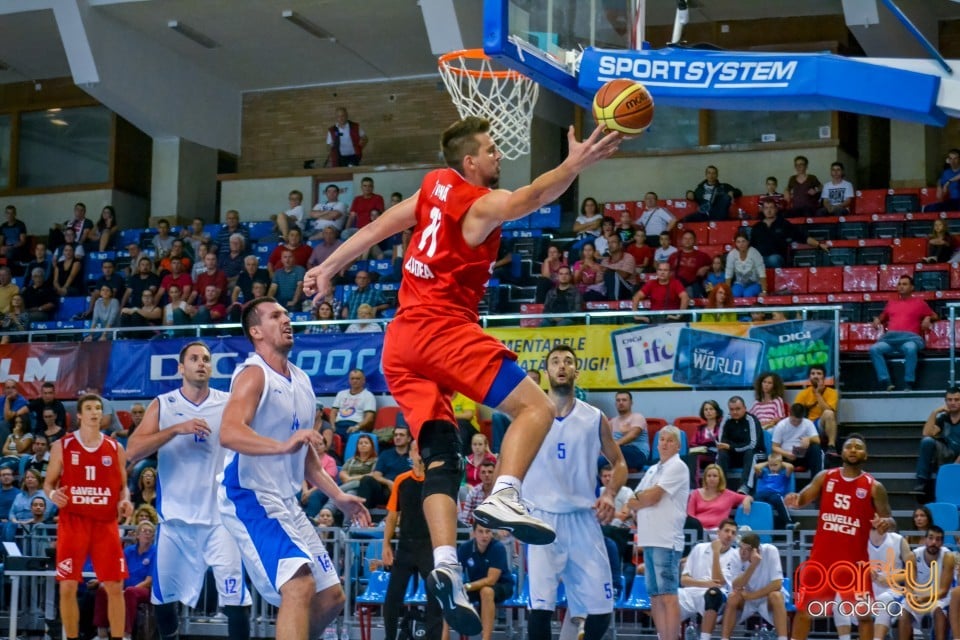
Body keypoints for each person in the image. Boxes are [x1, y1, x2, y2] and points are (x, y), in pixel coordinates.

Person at [303, 116, 622, 634]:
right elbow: (532, 197)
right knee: (535, 408)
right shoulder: (478, 205)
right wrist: (575, 163)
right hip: (440, 330)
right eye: (493, 150)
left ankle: (446, 565)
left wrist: (329, 268)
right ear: (470, 161)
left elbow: (374, 229)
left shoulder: (432, 187)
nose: (500, 157)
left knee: (441, 458)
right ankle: (506, 491)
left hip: (400, 341)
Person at [217, 297, 370, 640]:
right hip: (249, 494)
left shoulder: (301, 379)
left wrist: (339, 496)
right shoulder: (253, 374)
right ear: (256, 331)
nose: (286, 320)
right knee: (299, 585)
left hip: (285, 500)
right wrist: (281, 446)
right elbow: (229, 432)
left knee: (331, 598)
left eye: (286, 314)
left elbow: (306, 458)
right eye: (275, 316)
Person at [125, 341, 253, 640]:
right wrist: (175, 430)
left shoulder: (228, 402)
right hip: (175, 522)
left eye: (206, 359)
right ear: (181, 367)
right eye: (194, 359)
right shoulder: (164, 404)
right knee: (163, 601)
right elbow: (132, 450)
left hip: (220, 520)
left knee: (235, 601)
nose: (201, 363)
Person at [524, 345, 626, 640]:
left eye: (568, 361)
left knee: (602, 608)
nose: (562, 366)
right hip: (542, 519)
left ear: (576, 372)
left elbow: (619, 463)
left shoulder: (594, 418)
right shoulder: (529, 417)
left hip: (583, 517)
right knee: (540, 607)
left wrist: (609, 493)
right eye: (555, 361)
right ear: (546, 372)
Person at [785, 433, 895, 640]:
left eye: (858, 447)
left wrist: (886, 523)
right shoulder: (825, 476)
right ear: (841, 452)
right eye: (849, 446)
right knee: (804, 611)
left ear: (866, 455)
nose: (853, 449)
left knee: (863, 616)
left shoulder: (874, 486)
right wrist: (795, 498)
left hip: (855, 562)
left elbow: (890, 519)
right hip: (821, 560)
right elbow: (802, 499)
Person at [45, 393, 133, 640]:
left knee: (115, 585)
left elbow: (123, 487)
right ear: (80, 415)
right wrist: (53, 495)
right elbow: (48, 485)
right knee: (68, 586)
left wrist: (125, 500)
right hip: (74, 522)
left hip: (105, 523)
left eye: (98, 408)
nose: (95, 412)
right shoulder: (62, 446)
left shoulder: (115, 448)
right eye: (90, 408)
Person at [628, 426, 689, 640]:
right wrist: (638, 500)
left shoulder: (678, 467)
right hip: (649, 538)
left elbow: (651, 497)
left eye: (669, 440)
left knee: (668, 596)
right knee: (655, 595)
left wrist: (639, 500)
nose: (663, 443)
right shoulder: (653, 469)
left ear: (678, 445)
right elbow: (635, 497)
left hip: (666, 539)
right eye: (661, 439)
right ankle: (662, 636)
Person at [382, 440, 442, 640]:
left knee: (435, 598)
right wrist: (386, 545)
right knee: (392, 599)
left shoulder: (435, 480)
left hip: (428, 545)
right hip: (406, 546)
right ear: (411, 453)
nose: (418, 453)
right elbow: (392, 515)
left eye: (421, 449)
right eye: (415, 449)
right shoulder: (401, 480)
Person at [833, 524, 911, 640]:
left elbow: (911, 571)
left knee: (885, 599)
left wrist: (889, 579)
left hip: (892, 590)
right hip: (864, 590)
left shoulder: (899, 540)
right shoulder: (858, 539)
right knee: (839, 597)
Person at [870, 275, 937, 392]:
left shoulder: (919, 303)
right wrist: (877, 320)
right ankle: (886, 381)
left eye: (904, 284)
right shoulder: (891, 303)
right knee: (874, 349)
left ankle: (908, 383)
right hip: (891, 339)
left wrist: (928, 318)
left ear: (912, 287)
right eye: (899, 284)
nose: (901, 286)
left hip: (910, 338)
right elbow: (882, 316)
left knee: (910, 348)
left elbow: (934, 315)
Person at [448, 524, 514, 640]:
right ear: (473, 533)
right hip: (475, 586)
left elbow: (491, 580)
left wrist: (467, 586)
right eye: (481, 531)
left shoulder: (497, 548)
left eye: (487, 532)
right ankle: (445, 636)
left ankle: (486, 638)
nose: (484, 535)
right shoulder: (465, 548)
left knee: (486, 591)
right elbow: (455, 571)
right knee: (449, 594)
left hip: (502, 586)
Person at [92, 521, 157, 640]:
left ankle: (125, 634)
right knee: (103, 590)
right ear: (137, 535)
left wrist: (127, 590)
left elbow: (149, 581)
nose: (147, 534)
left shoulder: (155, 552)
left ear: (153, 537)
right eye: (144, 531)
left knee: (130, 593)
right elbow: (117, 569)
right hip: (125, 587)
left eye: (150, 532)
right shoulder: (128, 551)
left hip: (145, 590)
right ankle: (102, 633)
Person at [719, 532, 789, 640]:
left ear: (756, 550)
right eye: (740, 547)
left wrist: (752, 596)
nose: (742, 552)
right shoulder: (735, 555)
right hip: (746, 599)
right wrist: (753, 565)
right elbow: (736, 585)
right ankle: (724, 639)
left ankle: (783, 638)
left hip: (765, 598)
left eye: (746, 549)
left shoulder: (771, 550)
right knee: (733, 597)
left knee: (777, 596)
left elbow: (777, 584)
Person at [678, 519, 740, 638]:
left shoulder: (735, 555)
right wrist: (706, 583)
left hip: (718, 596)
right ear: (718, 532)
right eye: (726, 531)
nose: (729, 535)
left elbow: (718, 582)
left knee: (713, 593)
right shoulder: (699, 548)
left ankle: (705, 638)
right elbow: (684, 580)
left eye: (733, 533)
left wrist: (716, 553)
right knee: (667, 597)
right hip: (691, 592)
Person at [898, 526, 954, 640]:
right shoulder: (913, 556)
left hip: (938, 597)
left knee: (939, 613)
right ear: (925, 540)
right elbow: (909, 586)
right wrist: (911, 597)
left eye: (938, 539)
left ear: (942, 543)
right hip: (918, 596)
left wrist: (924, 599)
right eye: (931, 538)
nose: (934, 542)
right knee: (904, 614)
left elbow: (943, 591)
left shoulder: (948, 557)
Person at [749, 199, 826, 268]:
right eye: (766, 208)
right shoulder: (757, 227)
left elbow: (801, 237)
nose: (769, 210)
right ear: (762, 210)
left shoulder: (784, 224)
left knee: (773, 259)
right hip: (759, 259)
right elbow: (751, 246)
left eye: (771, 208)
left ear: (776, 209)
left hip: (777, 258)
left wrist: (818, 244)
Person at [913, 386, 960, 496]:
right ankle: (922, 480)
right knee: (927, 441)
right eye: (949, 400)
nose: (952, 403)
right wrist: (935, 412)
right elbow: (927, 433)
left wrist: (954, 467)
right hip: (947, 453)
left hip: (958, 458)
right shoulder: (944, 418)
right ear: (945, 401)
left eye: (957, 400)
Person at [354, 425, 413, 511]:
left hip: (406, 490)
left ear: (409, 439)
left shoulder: (414, 455)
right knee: (366, 480)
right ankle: (361, 516)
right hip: (386, 490)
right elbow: (376, 475)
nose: (397, 437)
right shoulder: (386, 454)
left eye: (401, 435)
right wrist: (388, 482)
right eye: (395, 435)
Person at [716, 396, 765, 489]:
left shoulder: (751, 420)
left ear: (745, 408)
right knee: (721, 453)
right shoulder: (726, 420)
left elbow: (752, 444)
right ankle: (720, 487)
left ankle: (745, 486)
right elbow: (722, 442)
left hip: (754, 453)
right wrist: (729, 447)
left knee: (751, 453)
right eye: (732, 409)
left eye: (738, 409)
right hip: (734, 455)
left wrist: (731, 447)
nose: (734, 412)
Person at [686, 464, 752, 531]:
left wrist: (747, 499)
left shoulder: (728, 494)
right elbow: (690, 516)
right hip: (700, 531)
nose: (712, 478)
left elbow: (747, 497)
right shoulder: (695, 493)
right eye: (709, 476)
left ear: (720, 478)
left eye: (715, 476)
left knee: (746, 529)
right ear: (705, 478)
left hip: (719, 531)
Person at [794, 365, 840, 455]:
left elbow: (829, 412)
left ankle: (831, 446)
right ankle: (797, 458)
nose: (815, 376)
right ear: (809, 377)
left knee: (828, 413)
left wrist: (818, 394)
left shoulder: (832, 392)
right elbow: (795, 413)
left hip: (822, 425)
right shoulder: (803, 393)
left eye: (819, 373)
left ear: (824, 377)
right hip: (808, 425)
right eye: (813, 373)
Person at [770, 403, 822, 475]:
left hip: (803, 456)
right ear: (789, 415)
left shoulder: (808, 423)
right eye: (794, 420)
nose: (796, 423)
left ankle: (815, 479)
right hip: (786, 456)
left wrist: (809, 439)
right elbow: (774, 447)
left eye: (799, 421)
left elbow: (817, 440)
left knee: (815, 448)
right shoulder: (781, 425)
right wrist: (787, 454)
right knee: (777, 457)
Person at [750, 454, 796, 530]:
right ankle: (755, 524)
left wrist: (780, 462)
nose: (773, 467)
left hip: (775, 494)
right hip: (762, 494)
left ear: (781, 464)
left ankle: (789, 522)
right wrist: (769, 462)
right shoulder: (765, 474)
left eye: (775, 465)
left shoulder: (783, 475)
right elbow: (756, 467)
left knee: (778, 499)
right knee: (755, 499)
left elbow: (790, 467)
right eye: (771, 465)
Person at [606, 391, 649, 471]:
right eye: (618, 400)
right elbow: (604, 438)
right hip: (618, 452)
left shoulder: (637, 417)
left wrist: (613, 446)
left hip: (638, 454)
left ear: (631, 403)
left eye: (624, 400)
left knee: (612, 455)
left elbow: (633, 435)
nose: (621, 402)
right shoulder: (612, 422)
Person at [331, 369, 377, 440]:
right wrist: (332, 426)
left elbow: (369, 417)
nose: (354, 381)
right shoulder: (341, 394)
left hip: (355, 425)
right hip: (338, 425)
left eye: (358, 378)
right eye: (352, 378)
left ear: (363, 381)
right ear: (349, 380)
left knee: (354, 437)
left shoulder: (368, 396)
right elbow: (333, 412)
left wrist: (357, 427)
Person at [684, 400, 722, 487]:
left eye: (711, 409)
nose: (708, 411)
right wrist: (701, 448)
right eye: (706, 409)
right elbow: (693, 444)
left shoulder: (722, 427)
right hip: (701, 455)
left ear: (716, 411)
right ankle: (693, 486)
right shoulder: (700, 429)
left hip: (715, 454)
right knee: (691, 455)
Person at [668, 230, 710, 298]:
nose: (687, 241)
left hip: (693, 287)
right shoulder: (673, 256)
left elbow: (715, 266)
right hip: (676, 287)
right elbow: (666, 270)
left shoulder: (702, 256)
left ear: (695, 241)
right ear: (681, 240)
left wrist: (707, 268)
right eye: (685, 238)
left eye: (690, 239)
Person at [725, 230, 766, 298]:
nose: (741, 244)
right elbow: (728, 275)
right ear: (735, 243)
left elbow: (762, 273)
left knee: (747, 294)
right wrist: (727, 292)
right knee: (734, 294)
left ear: (748, 242)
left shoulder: (755, 253)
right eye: (738, 242)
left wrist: (764, 291)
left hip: (755, 283)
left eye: (743, 241)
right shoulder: (732, 255)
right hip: (739, 283)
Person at [600, 234, 637, 301]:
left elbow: (624, 275)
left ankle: (614, 305)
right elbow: (600, 279)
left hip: (626, 290)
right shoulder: (604, 261)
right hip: (608, 288)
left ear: (620, 244)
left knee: (611, 274)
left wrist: (608, 270)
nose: (610, 245)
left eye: (613, 242)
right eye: (609, 242)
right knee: (592, 294)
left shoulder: (628, 257)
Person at [924, 148, 960, 212]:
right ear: (948, 160)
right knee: (928, 209)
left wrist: (949, 182)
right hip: (953, 202)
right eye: (950, 159)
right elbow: (940, 194)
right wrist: (939, 186)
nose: (953, 161)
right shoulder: (946, 173)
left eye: (955, 158)